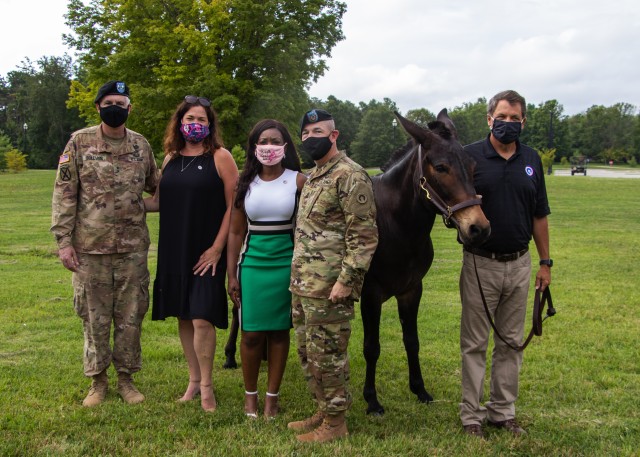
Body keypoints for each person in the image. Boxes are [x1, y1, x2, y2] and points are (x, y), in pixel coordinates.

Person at [51, 80, 160, 407]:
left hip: (132, 250)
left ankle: (126, 379)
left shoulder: (141, 146)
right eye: (109, 102)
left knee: (130, 318)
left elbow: (158, 187)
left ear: (129, 108)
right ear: (98, 107)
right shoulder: (79, 143)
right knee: (94, 318)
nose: (116, 107)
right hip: (89, 249)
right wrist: (63, 242)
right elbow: (64, 193)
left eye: (121, 102)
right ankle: (97, 382)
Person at [459, 90, 552, 438]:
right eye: (502, 116)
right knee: (475, 343)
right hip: (481, 263)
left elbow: (539, 214)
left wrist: (545, 263)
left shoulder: (532, 158)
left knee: (512, 342)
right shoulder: (469, 157)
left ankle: (502, 412)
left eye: (515, 118)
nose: (508, 123)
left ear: (524, 121)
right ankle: (471, 416)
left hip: (521, 263)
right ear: (489, 118)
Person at [287, 109, 378, 442]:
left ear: (335, 135)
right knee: (308, 353)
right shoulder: (314, 175)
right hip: (304, 284)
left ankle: (336, 423)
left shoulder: (350, 175)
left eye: (319, 131)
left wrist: (346, 281)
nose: (312, 137)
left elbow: (364, 237)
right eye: (307, 132)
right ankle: (323, 410)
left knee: (328, 355)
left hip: (330, 287)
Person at [144, 95, 238, 412]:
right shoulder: (170, 159)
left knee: (202, 318)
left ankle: (209, 386)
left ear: (209, 125)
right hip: (174, 249)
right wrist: (116, 197)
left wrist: (216, 249)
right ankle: (193, 381)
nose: (194, 124)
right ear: (179, 123)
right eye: (189, 119)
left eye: (200, 120)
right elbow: (157, 202)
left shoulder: (221, 157)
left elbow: (233, 208)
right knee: (184, 316)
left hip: (206, 251)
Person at [226, 119, 307, 419]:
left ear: (285, 146)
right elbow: (235, 233)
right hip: (252, 265)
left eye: (275, 141)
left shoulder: (298, 181)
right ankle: (250, 399)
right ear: (254, 147)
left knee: (278, 333)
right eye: (264, 141)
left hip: (286, 264)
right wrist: (231, 273)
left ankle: (272, 398)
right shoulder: (244, 183)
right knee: (250, 334)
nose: (269, 147)